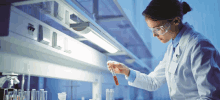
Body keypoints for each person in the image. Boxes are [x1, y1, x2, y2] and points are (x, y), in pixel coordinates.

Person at [107, 0, 220, 99]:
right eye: (151, 29)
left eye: (158, 29)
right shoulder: (172, 48)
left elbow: (211, 97)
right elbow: (153, 82)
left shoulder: (199, 46)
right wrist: (126, 71)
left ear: (176, 21)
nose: (154, 35)